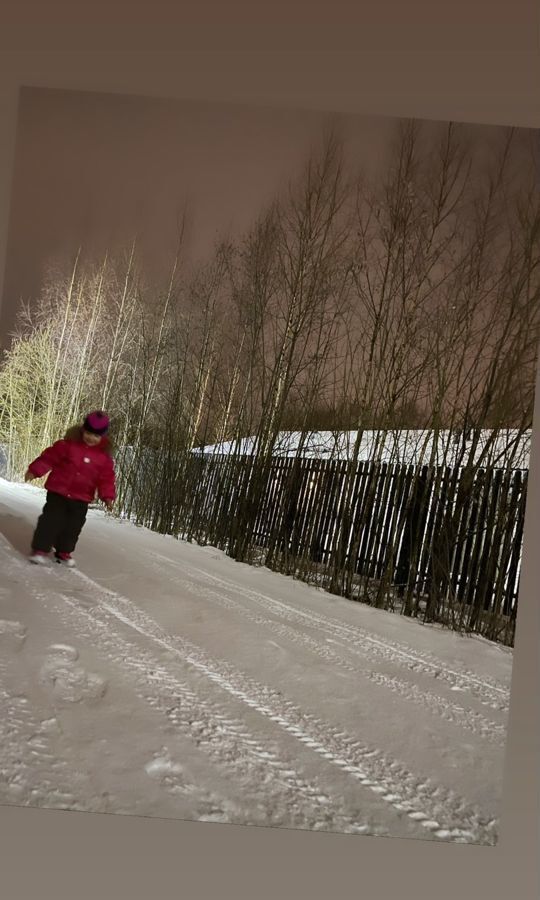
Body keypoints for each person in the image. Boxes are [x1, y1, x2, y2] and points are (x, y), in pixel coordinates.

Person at [24, 410, 116, 567]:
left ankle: (63, 551)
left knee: (72, 527)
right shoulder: (67, 446)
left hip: (81, 498)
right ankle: (40, 549)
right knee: (50, 521)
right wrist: (35, 470)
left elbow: (106, 479)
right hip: (58, 492)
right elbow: (49, 458)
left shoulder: (104, 459)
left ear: (102, 437)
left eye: (96, 435)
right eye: (88, 433)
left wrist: (107, 496)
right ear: (83, 430)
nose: (91, 438)